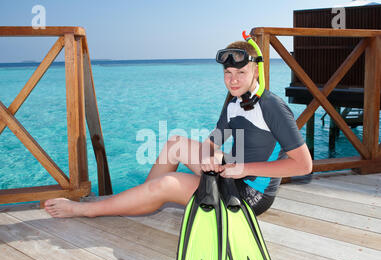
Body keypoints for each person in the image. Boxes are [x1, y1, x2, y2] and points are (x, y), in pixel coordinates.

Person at [44, 40, 312, 219]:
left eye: (240, 74)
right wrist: (210, 155)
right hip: (233, 172)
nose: (232, 80)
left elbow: (302, 166)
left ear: (256, 72)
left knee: (168, 184)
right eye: (227, 73)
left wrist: (244, 169)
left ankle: (89, 211)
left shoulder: (272, 106)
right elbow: (214, 141)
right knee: (176, 144)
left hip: (250, 196)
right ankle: (140, 197)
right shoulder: (233, 101)